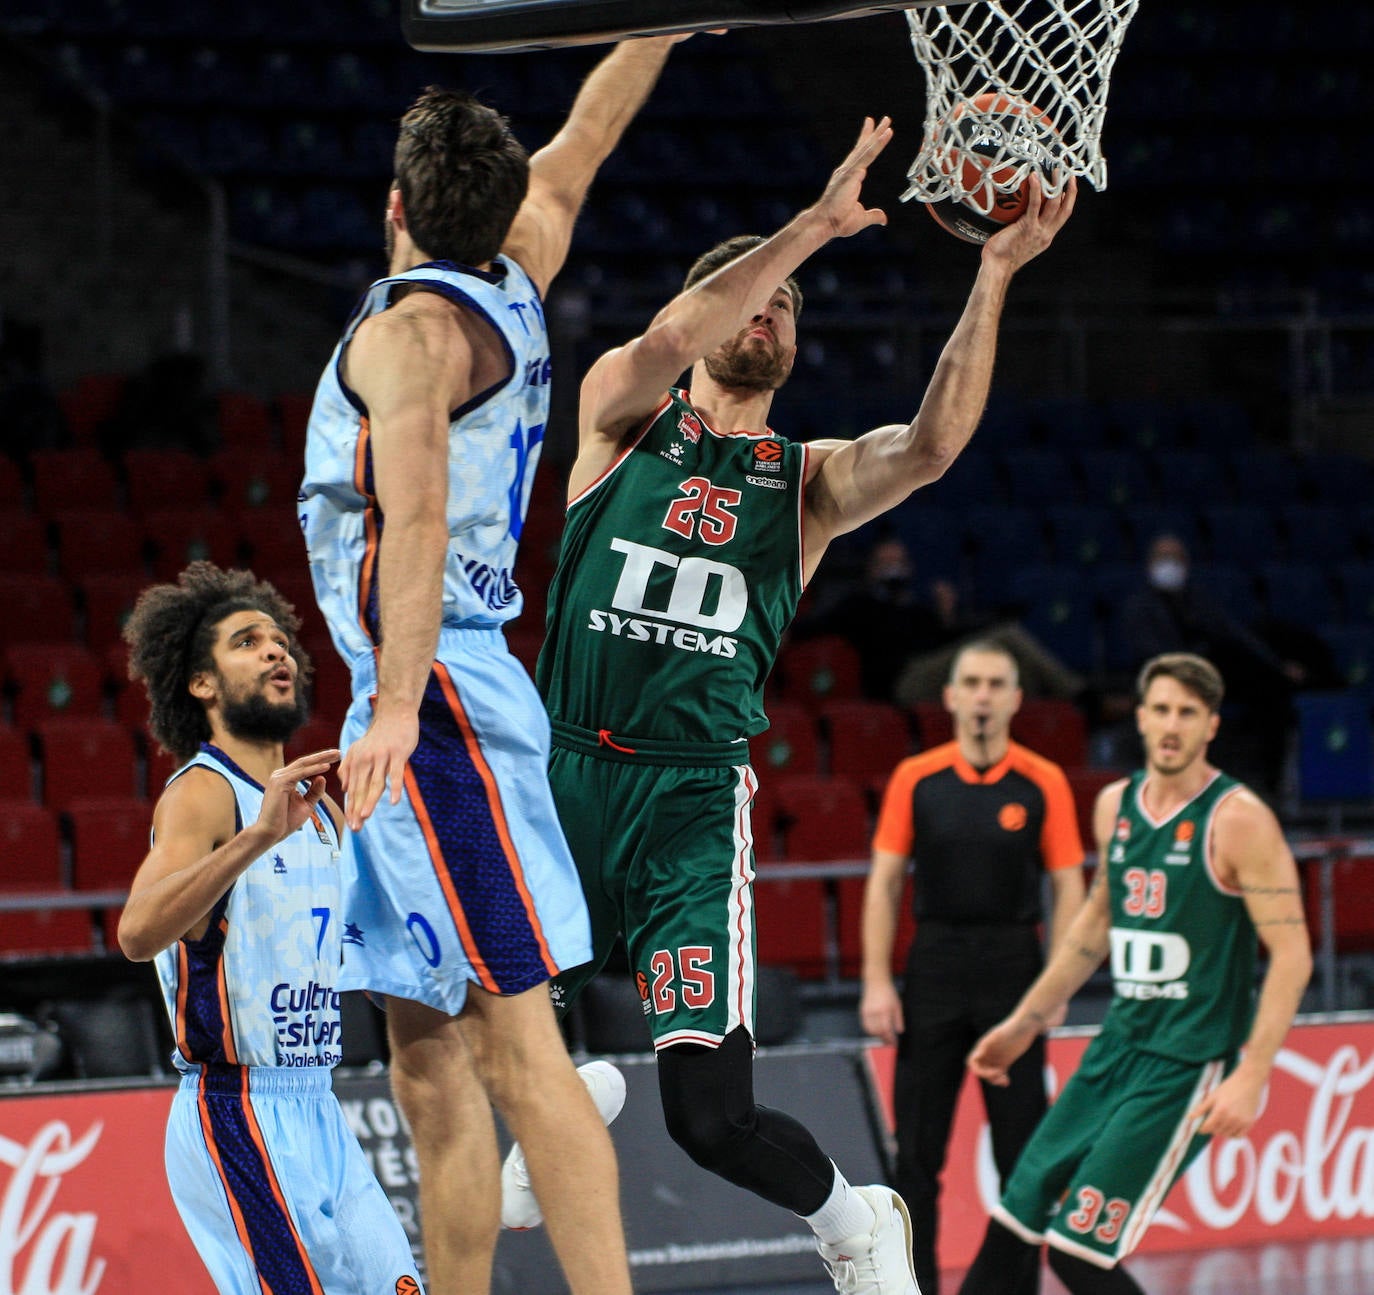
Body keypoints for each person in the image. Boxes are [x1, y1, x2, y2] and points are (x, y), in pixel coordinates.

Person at [499, 117, 1077, 1295]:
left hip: (690, 799)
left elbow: (928, 447)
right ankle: (561, 1095)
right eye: (741, 300)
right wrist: (809, 227)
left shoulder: (803, 483)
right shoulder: (621, 412)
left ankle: (855, 1218)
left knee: (710, 1117)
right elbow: (667, 334)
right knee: (457, 1016)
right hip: (559, 774)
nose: (762, 317)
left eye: (783, 311)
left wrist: (995, 269)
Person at [297, 37, 679, 1295]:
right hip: (418, 685)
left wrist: (398, 705)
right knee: (426, 1056)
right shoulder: (526, 261)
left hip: (436, 690)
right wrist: (659, 30)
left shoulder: (412, 339)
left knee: (519, 1047)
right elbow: (586, 142)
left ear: (393, 204)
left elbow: (411, 521)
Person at [955, 652, 1312, 1295]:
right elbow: (1094, 927)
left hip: (1187, 1060)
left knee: (1077, 1254)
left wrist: (1253, 1076)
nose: (1172, 725)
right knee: (1015, 1216)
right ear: (1140, 718)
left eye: (1187, 713)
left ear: (1210, 725)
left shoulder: (1238, 819)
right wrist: (1022, 1025)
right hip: (1118, 1045)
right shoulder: (1115, 804)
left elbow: (1293, 955)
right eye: (1161, 710)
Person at [118, 562, 423, 1295]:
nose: (277, 650)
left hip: (316, 1101)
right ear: (202, 684)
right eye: (248, 642)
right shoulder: (204, 791)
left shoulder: (321, 811)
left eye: (281, 639)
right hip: (235, 1108)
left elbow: (363, 971)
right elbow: (136, 933)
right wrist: (255, 836)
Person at [861, 639, 1086, 1295]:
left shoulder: (1042, 779)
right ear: (952, 695)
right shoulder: (917, 777)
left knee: (1024, 1155)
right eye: (972, 682)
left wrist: (1056, 985)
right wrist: (877, 978)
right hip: (934, 967)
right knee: (916, 1156)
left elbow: (1070, 886)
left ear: (1016, 698)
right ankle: (914, 1285)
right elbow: (883, 882)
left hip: (1016, 970)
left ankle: (1010, 1288)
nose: (984, 694)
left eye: (996, 683)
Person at [1115, 532, 1303, 796]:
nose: (1169, 564)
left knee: (1268, 692)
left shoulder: (1198, 601)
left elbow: (1235, 636)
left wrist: (1277, 666)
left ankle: (1265, 786)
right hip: (1164, 684)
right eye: (1163, 557)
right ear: (1149, 564)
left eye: (1175, 558)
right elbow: (1150, 655)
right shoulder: (1139, 607)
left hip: (1205, 681)